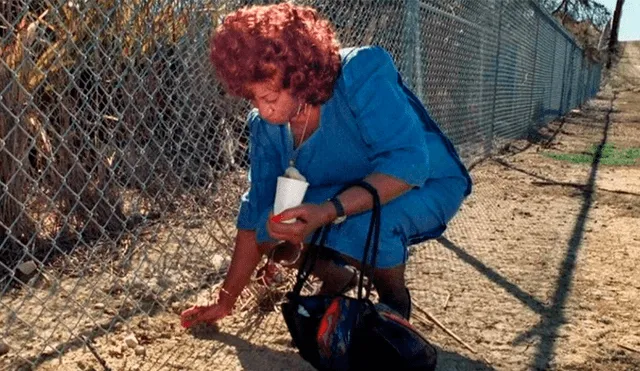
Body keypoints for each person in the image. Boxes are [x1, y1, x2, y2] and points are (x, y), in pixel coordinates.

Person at [180, 2, 472, 329]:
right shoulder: (263, 126)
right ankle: (338, 277)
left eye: (271, 98)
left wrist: (327, 211)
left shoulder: (361, 71)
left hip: (425, 182)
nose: (263, 111)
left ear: (301, 76)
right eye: (252, 98)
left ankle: (393, 299)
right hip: (348, 191)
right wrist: (225, 300)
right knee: (269, 222)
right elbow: (253, 214)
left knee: (364, 223)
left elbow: (409, 164)